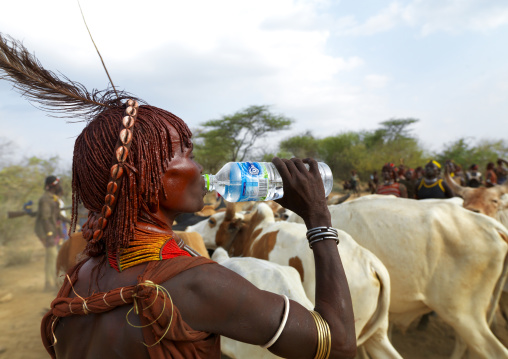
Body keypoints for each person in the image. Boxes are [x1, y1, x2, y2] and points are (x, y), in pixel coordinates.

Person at [0, 35, 357, 359]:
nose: (199, 166)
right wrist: (319, 220)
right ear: (149, 178)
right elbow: (338, 344)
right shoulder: (195, 283)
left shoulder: (79, 275)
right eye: (186, 153)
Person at [34, 176, 66, 291]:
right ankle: (52, 285)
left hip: (53, 230)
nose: (59, 186)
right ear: (53, 185)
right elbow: (45, 218)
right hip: (47, 231)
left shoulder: (53, 198)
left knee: (53, 257)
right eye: (57, 184)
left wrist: (69, 221)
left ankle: (51, 283)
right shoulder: (45, 199)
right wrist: (49, 235)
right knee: (52, 257)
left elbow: (56, 215)